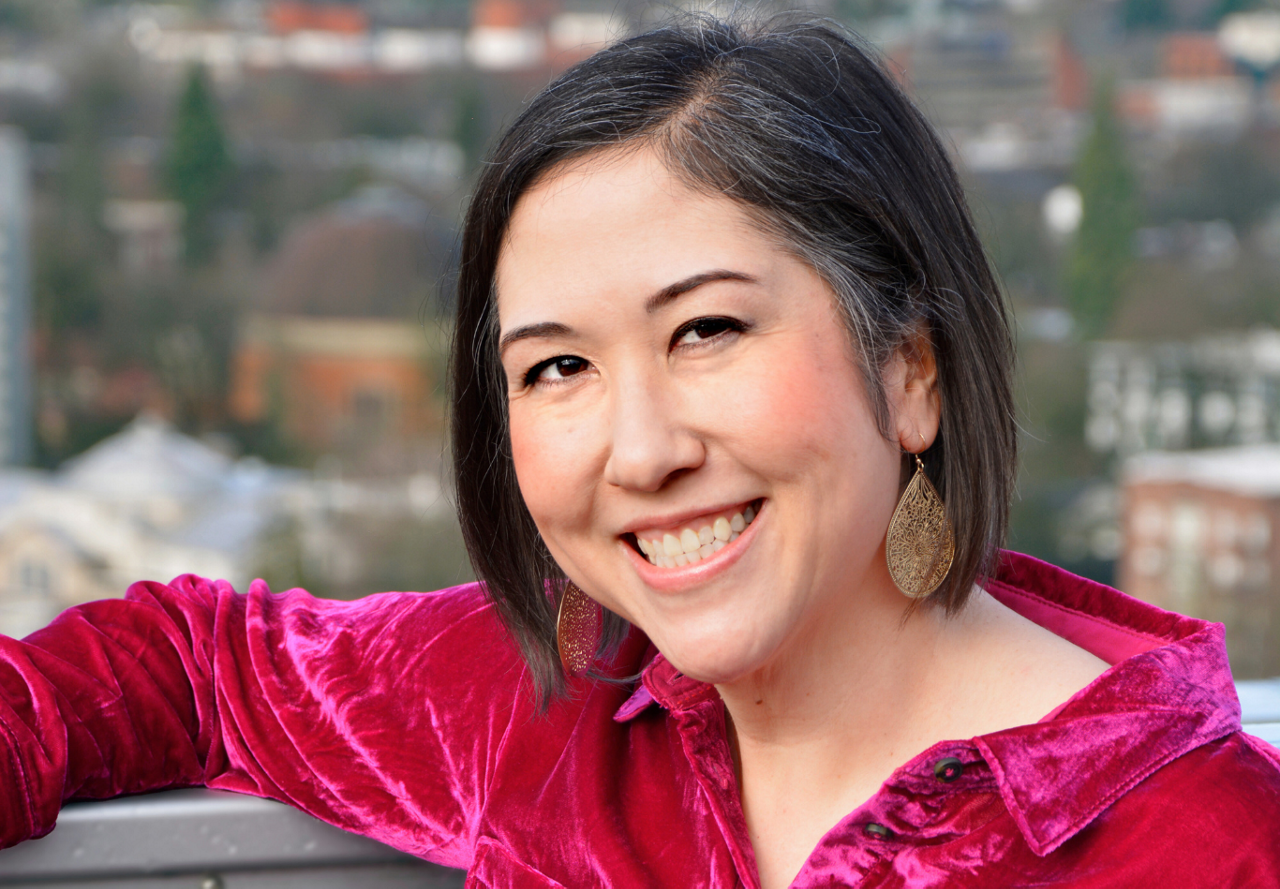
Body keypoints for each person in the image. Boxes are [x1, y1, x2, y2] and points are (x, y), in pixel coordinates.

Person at [2, 16, 1278, 888]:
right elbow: (202, 664)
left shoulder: (1194, 838)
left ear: (910, 371)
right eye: (556, 366)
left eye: (707, 330)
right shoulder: (566, 705)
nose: (642, 447)